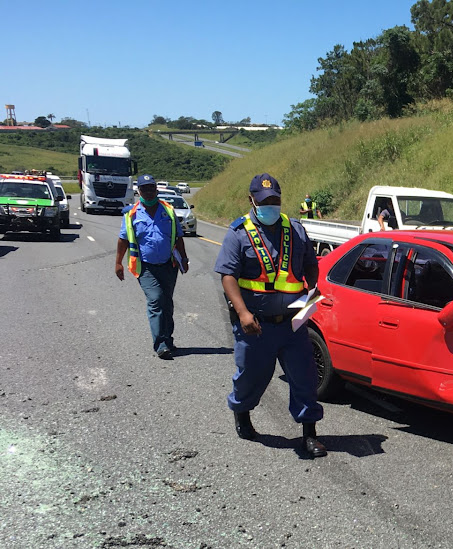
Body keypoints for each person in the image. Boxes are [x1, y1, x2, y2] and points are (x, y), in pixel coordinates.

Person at [214, 173, 326, 458]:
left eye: (275, 200)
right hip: (255, 325)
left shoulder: (296, 230)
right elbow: (228, 276)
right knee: (252, 376)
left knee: (305, 376)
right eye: (264, 201)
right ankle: (242, 412)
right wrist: (242, 312)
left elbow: (311, 268)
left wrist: (310, 299)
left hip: (293, 324)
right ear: (251, 201)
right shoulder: (239, 232)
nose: (270, 206)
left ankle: (309, 434)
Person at [115, 174, 189, 360]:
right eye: (144, 189)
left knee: (167, 303)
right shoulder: (131, 214)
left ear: (156, 189)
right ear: (138, 191)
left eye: (151, 188)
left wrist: (184, 259)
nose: (148, 192)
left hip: (168, 265)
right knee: (156, 300)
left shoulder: (169, 211)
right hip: (145, 267)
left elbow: (178, 237)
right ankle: (160, 344)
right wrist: (118, 263)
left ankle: (168, 339)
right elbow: (123, 239)